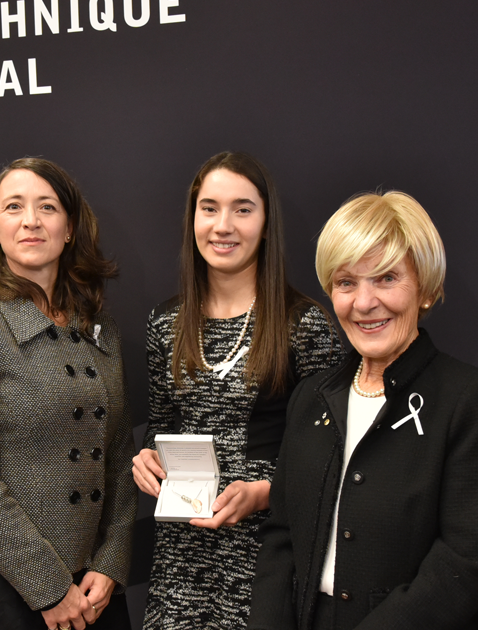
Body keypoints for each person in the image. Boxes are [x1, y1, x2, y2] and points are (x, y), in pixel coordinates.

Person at [247, 191, 478, 630]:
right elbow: (281, 536)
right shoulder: (311, 397)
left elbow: (465, 560)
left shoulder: (468, 399)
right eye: (346, 282)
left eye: (386, 278)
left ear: (424, 288)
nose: (365, 302)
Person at [131, 151, 342, 629]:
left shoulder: (304, 325)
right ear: (193, 220)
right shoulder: (166, 323)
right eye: (209, 208)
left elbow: (331, 459)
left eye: (242, 209)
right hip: (180, 565)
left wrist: (265, 493)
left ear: (266, 224)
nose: (223, 225)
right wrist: (147, 460)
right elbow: (161, 428)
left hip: (266, 559)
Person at [0, 158, 135, 630]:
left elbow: (120, 457)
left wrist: (110, 562)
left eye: (47, 207)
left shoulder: (102, 331)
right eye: (14, 207)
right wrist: (47, 586)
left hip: (90, 589)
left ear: (69, 228)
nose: (31, 220)